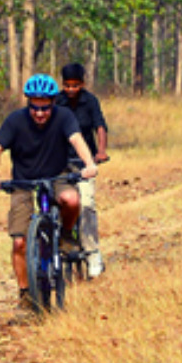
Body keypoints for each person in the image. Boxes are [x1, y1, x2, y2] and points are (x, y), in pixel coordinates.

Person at [0, 74, 98, 309]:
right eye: (34, 107)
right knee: (19, 242)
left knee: (71, 199)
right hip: (23, 181)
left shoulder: (64, 117)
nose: (39, 113)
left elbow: (77, 140)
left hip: (57, 175)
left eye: (45, 108)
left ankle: (66, 236)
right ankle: (26, 293)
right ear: (28, 103)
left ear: (53, 104)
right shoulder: (15, 120)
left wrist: (89, 164)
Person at [56, 62, 110, 278]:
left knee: (86, 205)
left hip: (83, 163)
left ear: (83, 84)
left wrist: (101, 151)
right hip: (58, 162)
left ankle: (92, 253)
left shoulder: (90, 101)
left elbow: (100, 126)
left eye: (75, 85)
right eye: (67, 86)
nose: (71, 90)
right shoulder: (56, 102)